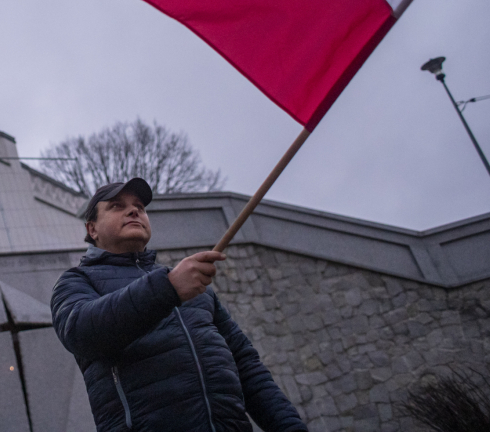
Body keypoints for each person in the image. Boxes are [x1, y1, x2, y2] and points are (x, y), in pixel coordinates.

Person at [51, 177, 308, 432]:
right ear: (92, 229)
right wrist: (168, 288)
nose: (134, 210)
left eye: (139, 206)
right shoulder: (77, 281)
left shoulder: (192, 287)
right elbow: (81, 332)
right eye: (117, 206)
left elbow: (247, 368)